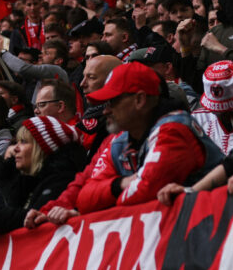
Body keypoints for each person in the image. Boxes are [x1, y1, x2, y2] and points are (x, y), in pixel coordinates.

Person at [75, 62, 224, 213]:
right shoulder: (120, 139)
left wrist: (109, 202)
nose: (105, 111)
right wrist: (120, 184)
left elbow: (144, 195)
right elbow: (84, 200)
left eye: (112, 102)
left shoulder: (174, 130)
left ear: (139, 100)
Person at [0, 116, 86, 237]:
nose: (16, 149)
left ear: (43, 148)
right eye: (16, 142)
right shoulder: (22, 182)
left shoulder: (62, 179)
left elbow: (30, 219)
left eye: (24, 142)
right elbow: (3, 219)